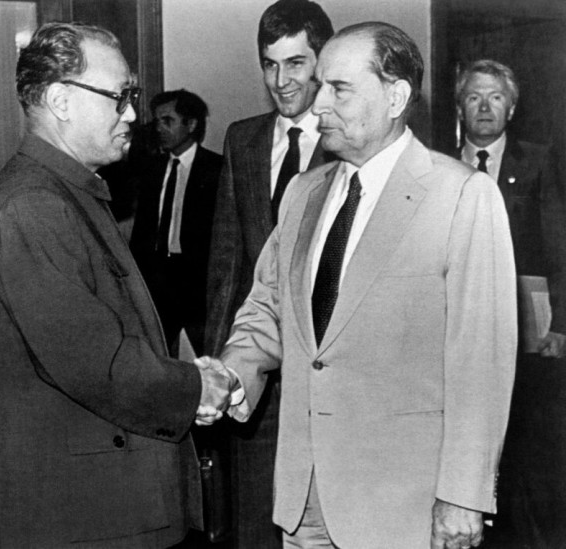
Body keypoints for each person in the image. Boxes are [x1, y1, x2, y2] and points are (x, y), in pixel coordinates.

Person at [198, 22, 518, 549]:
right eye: (319, 84)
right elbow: (269, 309)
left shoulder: (462, 196)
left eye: (338, 88)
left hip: (404, 502)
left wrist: (464, 494)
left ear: (395, 96)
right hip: (304, 497)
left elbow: (481, 359)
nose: (316, 103)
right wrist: (231, 375)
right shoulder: (304, 192)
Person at [0, 22, 231, 548]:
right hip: (84, 517)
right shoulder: (34, 207)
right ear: (61, 100)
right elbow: (98, 363)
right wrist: (196, 385)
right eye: (119, 96)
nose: (132, 113)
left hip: (98, 507)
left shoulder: (66, 193)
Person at [203, 1, 333, 546]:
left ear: (324, 61)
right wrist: (217, 369)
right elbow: (227, 262)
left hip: (322, 374)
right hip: (253, 382)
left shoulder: (348, 143)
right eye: (269, 65)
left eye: (296, 64)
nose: (281, 81)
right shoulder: (243, 138)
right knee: (255, 521)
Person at [456, 59, 566, 548]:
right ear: (460, 106)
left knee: (524, 441)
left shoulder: (539, 162)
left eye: (495, 97)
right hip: (458, 325)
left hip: (527, 325)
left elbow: (560, 246)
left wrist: (560, 324)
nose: (484, 107)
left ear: (512, 108)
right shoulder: (435, 166)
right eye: (475, 97)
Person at [130, 90, 222, 357]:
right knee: (153, 357)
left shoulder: (218, 169)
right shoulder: (152, 168)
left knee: (211, 356)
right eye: (156, 121)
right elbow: (141, 231)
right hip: (157, 278)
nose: (159, 128)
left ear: (191, 125)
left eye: (167, 121)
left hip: (197, 283)